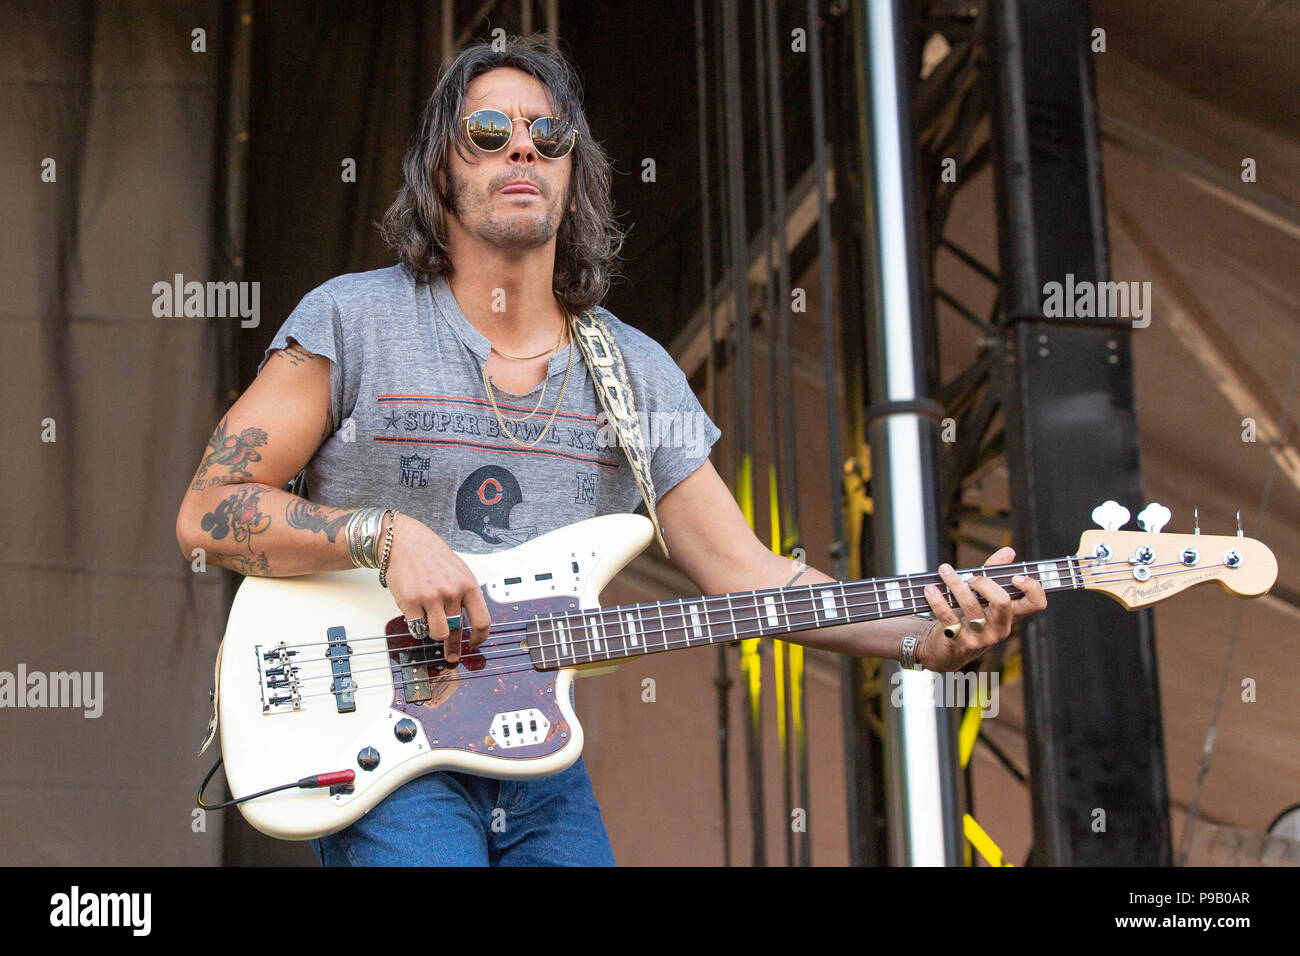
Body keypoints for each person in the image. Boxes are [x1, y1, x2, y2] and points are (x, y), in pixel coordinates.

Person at [175, 33, 1047, 867]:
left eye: (548, 137)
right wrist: (384, 538)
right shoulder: (352, 319)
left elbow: (747, 574)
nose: (524, 150)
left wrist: (921, 637)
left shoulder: (632, 371)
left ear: (573, 174)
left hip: (533, 756)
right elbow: (209, 510)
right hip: (377, 731)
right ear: (443, 165)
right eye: (490, 132)